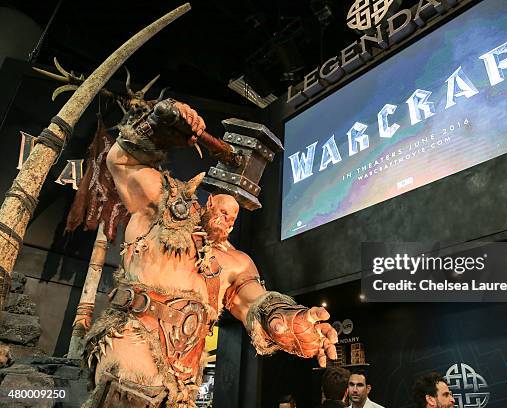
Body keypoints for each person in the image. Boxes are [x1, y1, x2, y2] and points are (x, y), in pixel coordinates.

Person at [81, 99, 338, 407]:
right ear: (208, 203)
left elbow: (255, 301)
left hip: (181, 390)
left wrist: (292, 322)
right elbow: (122, 163)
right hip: (128, 361)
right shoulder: (163, 211)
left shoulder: (234, 262)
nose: (227, 221)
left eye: (233, 216)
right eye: (222, 212)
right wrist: (155, 128)